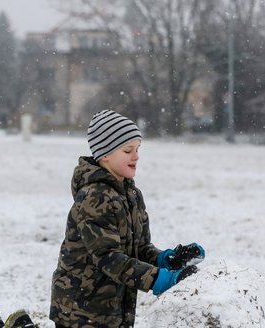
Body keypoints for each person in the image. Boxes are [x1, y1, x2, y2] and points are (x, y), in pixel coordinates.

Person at [49, 110, 205, 328]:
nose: (136, 156)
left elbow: (139, 248)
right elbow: (109, 259)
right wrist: (159, 280)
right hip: (81, 310)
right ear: (105, 155)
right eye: (128, 150)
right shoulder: (95, 198)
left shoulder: (131, 195)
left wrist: (167, 260)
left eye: (138, 149)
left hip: (115, 309)